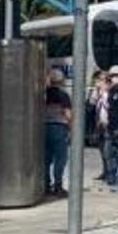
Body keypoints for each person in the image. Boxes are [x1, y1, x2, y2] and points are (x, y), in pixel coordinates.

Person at [44, 68, 72, 196]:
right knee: (60, 159)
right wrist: (72, 128)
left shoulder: (43, 94)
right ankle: (58, 185)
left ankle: (46, 184)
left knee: (46, 159)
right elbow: (68, 114)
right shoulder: (63, 95)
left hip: (44, 128)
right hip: (59, 127)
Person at [88, 70, 109, 182]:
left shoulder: (108, 94)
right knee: (101, 149)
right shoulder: (97, 94)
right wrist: (95, 93)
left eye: (97, 81)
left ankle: (110, 172)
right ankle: (105, 171)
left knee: (107, 150)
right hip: (99, 125)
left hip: (108, 124)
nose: (95, 83)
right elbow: (91, 106)